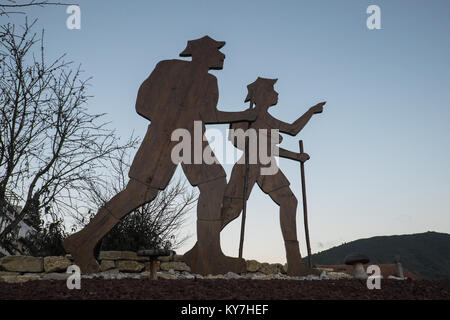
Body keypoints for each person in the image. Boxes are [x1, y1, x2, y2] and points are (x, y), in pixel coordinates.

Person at [63, 36, 256, 274]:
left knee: (214, 184)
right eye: (218, 51)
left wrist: (245, 115)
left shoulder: (210, 81)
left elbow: (208, 114)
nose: (223, 56)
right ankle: (82, 241)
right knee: (139, 193)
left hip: (191, 138)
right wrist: (170, 121)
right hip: (163, 138)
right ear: (203, 52)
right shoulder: (168, 67)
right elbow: (142, 102)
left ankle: (206, 255)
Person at [221, 77, 325, 276]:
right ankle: (206, 249)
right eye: (272, 91)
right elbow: (237, 140)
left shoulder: (269, 120)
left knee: (289, 202)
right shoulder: (246, 115)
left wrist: (310, 113)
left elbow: (293, 130)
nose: (277, 94)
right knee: (232, 210)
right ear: (262, 95)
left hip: (267, 165)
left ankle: (295, 263)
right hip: (248, 166)